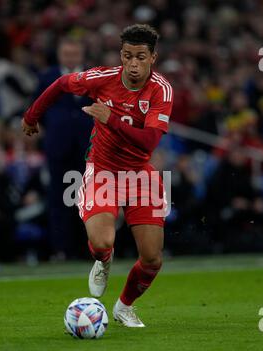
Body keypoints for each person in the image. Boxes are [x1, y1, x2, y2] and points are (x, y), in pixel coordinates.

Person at [22, 24, 174, 327]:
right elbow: (62, 82)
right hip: (102, 171)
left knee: (152, 259)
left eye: (140, 57)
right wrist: (31, 116)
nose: (133, 64)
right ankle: (103, 262)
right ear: (121, 54)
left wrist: (110, 118)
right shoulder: (103, 78)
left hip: (140, 176)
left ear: (152, 58)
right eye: (128, 56)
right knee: (103, 242)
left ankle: (123, 307)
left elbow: (149, 142)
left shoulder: (161, 89)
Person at [33, 37, 92, 259]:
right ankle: (60, 249)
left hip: (88, 149)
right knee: (59, 199)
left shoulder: (92, 76)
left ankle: (88, 248)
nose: (70, 58)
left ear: (81, 55)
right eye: (66, 53)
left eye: (74, 54)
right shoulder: (47, 77)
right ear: (59, 55)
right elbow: (37, 108)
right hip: (58, 149)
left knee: (87, 199)